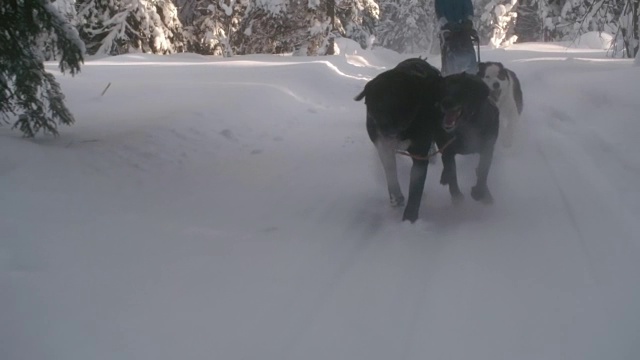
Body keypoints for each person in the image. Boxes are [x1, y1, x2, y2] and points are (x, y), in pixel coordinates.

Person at [435, 0, 478, 75]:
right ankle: (451, 75)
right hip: (448, 31)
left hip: (464, 29)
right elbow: (440, 13)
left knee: (469, 54)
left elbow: (469, 10)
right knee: (450, 54)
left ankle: (472, 74)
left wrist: (468, 21)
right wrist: (446, 24)